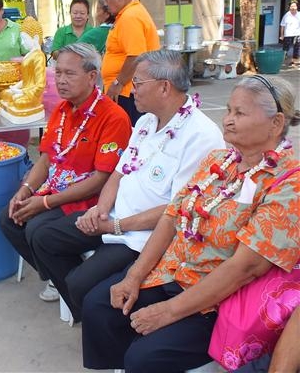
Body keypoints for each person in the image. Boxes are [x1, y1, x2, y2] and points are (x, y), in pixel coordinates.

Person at [81, 75, 300, 372]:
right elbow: (172, 216)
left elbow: (245, 268)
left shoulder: (290, 183)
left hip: (219, 300)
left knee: (145, 356)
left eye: (240, 113)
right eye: (228, 110)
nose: (228, 120)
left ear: (275, 123)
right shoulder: (220, 160)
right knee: (99, 306)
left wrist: (167, 312)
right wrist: (134, 276)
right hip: (172, 273)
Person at [31, 49, 225, 319]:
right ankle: (87, 312)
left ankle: (99, 315)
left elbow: (176, 209)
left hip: (142, 237)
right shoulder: (146, 121)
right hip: (112, 218)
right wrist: (99, 210)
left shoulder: (201, 136)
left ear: (164, 87)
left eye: (138, 83)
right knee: (44, 238)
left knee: (80, 284)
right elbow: (118, 174)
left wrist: (114, 226)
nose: (131, 90)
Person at [0, 42, 132, 303]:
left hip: (91, 201)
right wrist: (25, 191)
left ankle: (76, 293)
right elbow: (47, 159)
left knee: (37, 229)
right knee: (9, 217)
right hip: (58, 189)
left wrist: (44, 202)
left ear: (92, 77)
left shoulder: (112, 116)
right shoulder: (61, 109)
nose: (60, 80)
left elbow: (100, 180)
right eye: (57, 72)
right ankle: (58, 277)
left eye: (69, 74)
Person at [101, 0, 160, 125]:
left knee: (128, 134)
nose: (106, 4)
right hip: (128, 90)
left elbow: (135, 56)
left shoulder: (130, 17)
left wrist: (117, 83)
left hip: (127, 92)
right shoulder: (129, 14)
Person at [0, 16, 47, 123]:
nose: (23, 43)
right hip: (24, 90)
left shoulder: (39, 56)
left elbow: (40, 85)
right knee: (4, 94)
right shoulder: (29, 55)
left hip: (32, 94)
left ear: (36, 38)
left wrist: (20, 92)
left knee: (18, 102)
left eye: (24, 39)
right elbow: (26, 79)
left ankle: (24, 102)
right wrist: (15, 87)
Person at [279, 0, 299, 67]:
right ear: (289, 7)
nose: (293, 7)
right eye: (291, 6)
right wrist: (281, 35)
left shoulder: (299, 14)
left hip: (297, 34)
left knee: (296, 47)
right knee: (285, 48)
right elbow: (282, 25)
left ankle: (293, 61)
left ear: (297, 7)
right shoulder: (286, 15)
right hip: (288, 34)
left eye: (294, 6)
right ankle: (282, 61)